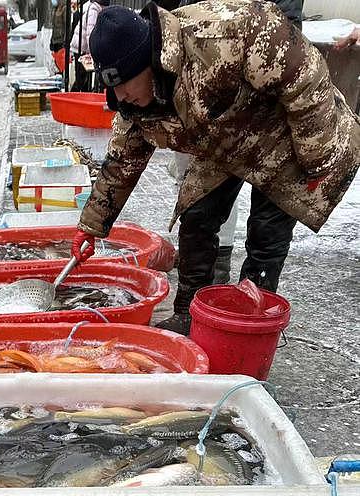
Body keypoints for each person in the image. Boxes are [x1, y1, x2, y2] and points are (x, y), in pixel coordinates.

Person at [72, 1, 360, 334]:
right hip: (227, 139)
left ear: (149, 62)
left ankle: (246, 326)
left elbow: (305, 79)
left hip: (290, 133)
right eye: (113, 88)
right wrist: (92, 225)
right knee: (196, 217)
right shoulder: (134, 102)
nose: (120, 95)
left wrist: (318, 159)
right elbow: (122, 161)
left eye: (125, 83)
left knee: (266, 232)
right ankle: (188, 315)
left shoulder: (223, 36)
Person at [163, 0, 304, 296]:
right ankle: (191, 306)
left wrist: (313, 160)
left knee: (267, 230)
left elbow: (292, 42)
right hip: (225, 117)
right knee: (200, 211)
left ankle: (252, 314)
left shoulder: (265, 32)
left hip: (276, 113)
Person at [70, 0, 109, 92]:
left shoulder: (99, 8)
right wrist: (93, 51)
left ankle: (79, 96)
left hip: (84, 47)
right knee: (81, 78)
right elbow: (90, 33)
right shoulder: (94, 9)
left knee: (84, 78)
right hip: (81, 47)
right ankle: (74, 97)